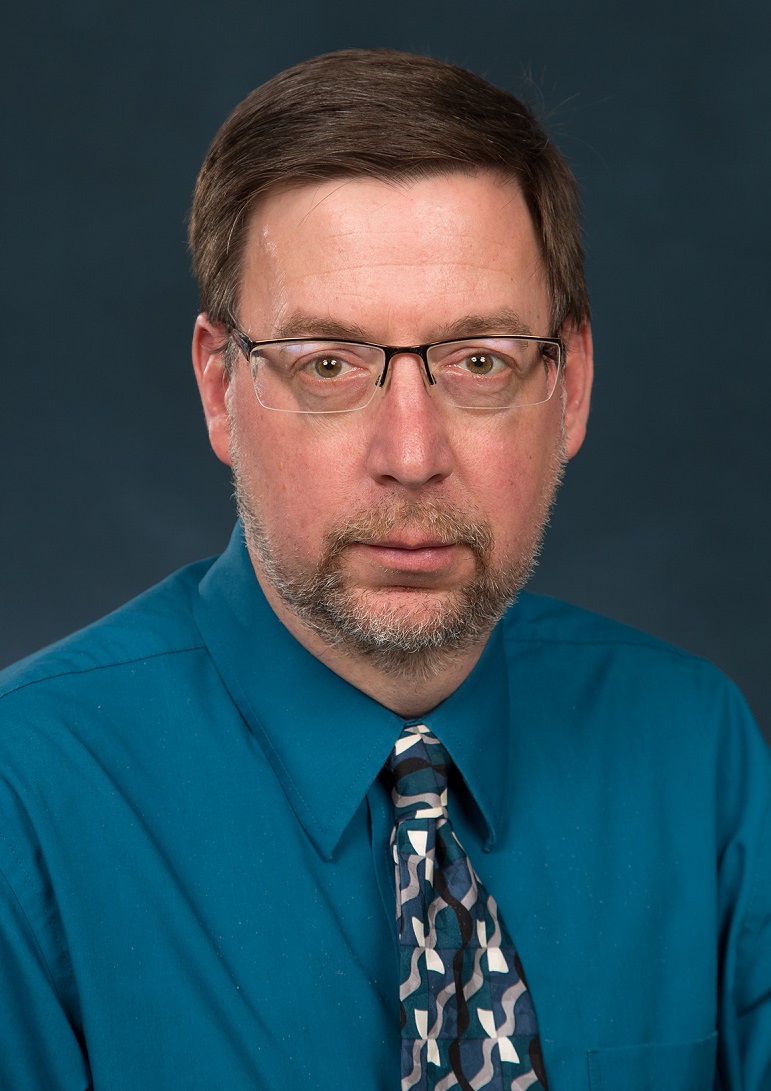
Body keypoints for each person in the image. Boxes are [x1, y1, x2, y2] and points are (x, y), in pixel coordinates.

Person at [0, 48, 768, 1091]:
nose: (411, 453)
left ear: (572, 386)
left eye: (480, 360)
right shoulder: (27, 796)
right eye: (329, 365)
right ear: (221, 388)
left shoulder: (698, 751)